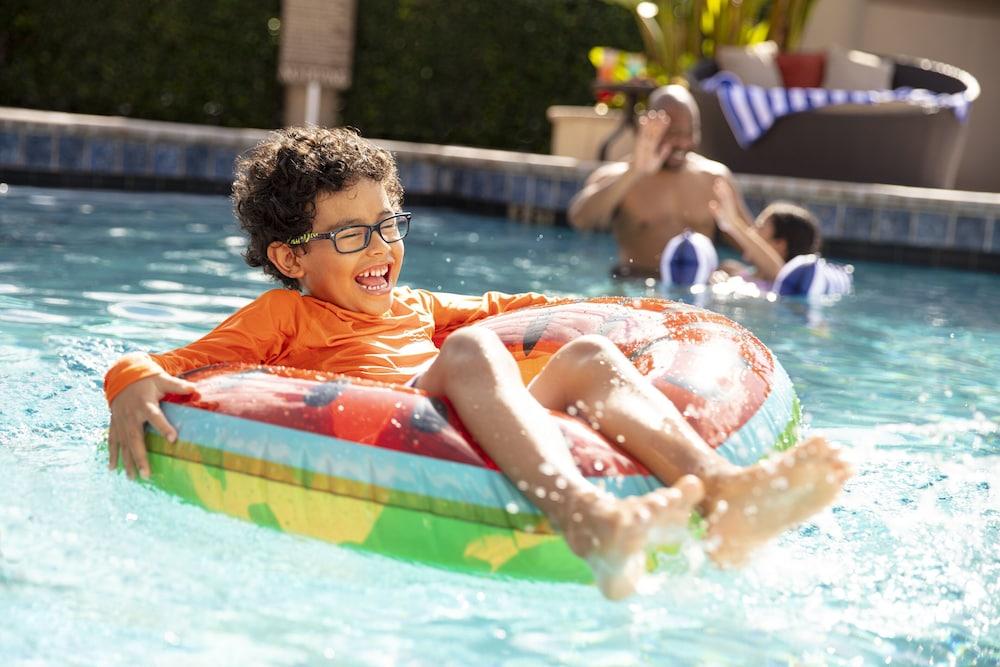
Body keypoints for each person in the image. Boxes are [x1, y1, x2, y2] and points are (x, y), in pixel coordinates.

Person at [105, 127, 851, 600]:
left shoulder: (421, 305)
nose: (381, 250)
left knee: (588, 353)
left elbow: (526, 308)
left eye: (388, 224)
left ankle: (726, 497)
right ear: (291, 256)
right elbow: (167, 363)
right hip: (395, 421)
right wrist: (129, 382)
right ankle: (590, 521)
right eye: (353, 235)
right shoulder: (283, 315)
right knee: (468, 351)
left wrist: (636, 319)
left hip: (463, 407)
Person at [567, 84, 748, 279]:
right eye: (673, 133)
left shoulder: (714, 178)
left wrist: (732, 273)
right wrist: (634, 171)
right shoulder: (618, 177)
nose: (683, 142)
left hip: (696, 294)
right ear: (649, 128)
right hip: (638, 289)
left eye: (690, 132)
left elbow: (752, 249)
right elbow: (579, 219)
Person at [710, 178, 853, 297]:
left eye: (759, 227)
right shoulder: (732, 270)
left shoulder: (782, 283)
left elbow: (779, 272)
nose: (751, 231)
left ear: (780, 244)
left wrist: (733, 223)